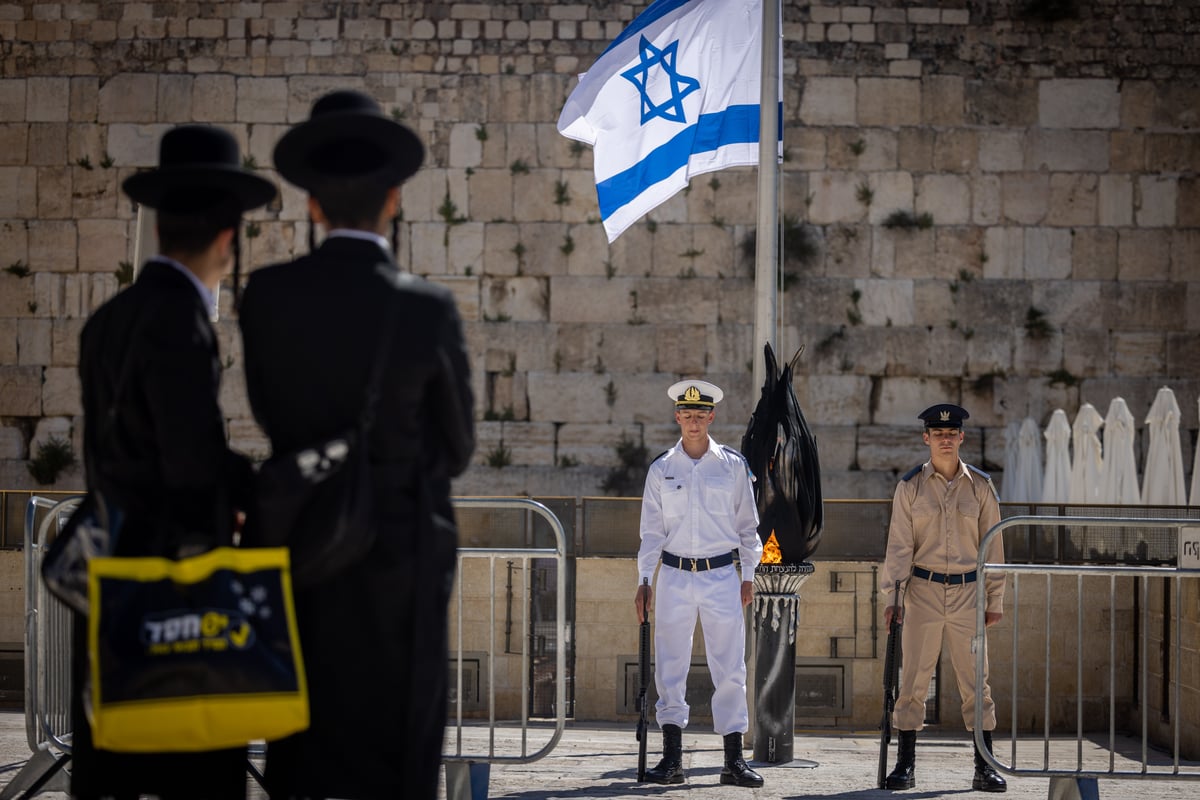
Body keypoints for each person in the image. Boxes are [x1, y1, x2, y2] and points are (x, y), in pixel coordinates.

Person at [238, 89, 475, 800]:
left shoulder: (267, 296)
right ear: (395, 199)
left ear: (312, 204)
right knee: (397, 748)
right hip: (401, 555)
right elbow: (457, 444)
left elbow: (267, 412)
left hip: (301, 548)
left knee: (302, 743)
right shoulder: (425, 309)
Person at [73, 124, 275, 799]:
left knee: (111, 776)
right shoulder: (181, 323)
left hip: (109, 586)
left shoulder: (108, 320)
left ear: (159, 227)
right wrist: (262, 486)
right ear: (227, 237)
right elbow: (190, 462)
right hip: (173, 601)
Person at [633, 380, 765, 788]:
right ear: (677, 417)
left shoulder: (731, 465)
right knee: (670, 665)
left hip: (721, 575)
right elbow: (651, 532)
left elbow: (748, 527)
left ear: (712, 416)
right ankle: (672, 758)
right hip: (673, 576)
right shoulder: (662, 469)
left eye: (700, 415)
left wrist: (747, 576)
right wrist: (644, 580)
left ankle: (733, 759)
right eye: (686, 415)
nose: (693, 422)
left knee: (730, 667)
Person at [880, 403, 1007, 793]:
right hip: (923, 591)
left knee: (975, 682)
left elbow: (994, 547)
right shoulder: (911, 486)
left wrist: (994, 599)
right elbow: (899, 545)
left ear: (961, 437)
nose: (946, 439)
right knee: (914, 678)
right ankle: (905, 765)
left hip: (969, 592)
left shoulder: (981, 487)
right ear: (927, 438)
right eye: (938, 434)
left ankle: (983, 766)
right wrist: (892, 597)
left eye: (952, 434)